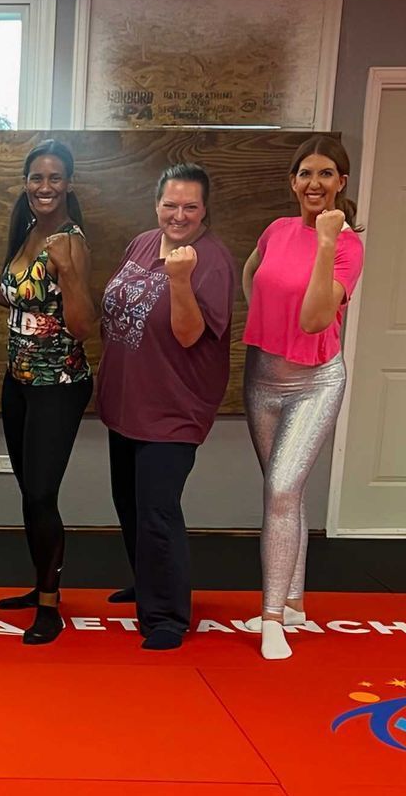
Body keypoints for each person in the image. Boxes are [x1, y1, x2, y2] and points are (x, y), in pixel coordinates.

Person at [97, 163, 235, 651]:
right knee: (130, 504)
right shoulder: (140, 242)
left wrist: (181, 278)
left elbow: (189, 333)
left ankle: (168, 617)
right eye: (171, 205)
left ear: (205, 209)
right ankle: (148, 583)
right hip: (127, 401)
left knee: (157, 510)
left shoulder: (211, 260)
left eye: (190, 207)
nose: (179, 215)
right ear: (157, 204)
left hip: (172, 409)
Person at [239, 135, 365, 660]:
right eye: (306, 174)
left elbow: (315, 318)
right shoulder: (276, 230)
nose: (315, 183)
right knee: (284, 491)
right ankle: (293, 602)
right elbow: (253, 274)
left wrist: (329, 243)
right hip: (263, 376)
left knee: (282, 491)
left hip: (314, 382)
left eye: (326, 174)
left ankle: (272, 620)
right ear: (293, 182)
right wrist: (266, 322)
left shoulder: (349, 245)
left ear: (341, 182)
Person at [0, 138, 95, 645]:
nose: (45, 186)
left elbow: (81, 326)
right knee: (28, 491)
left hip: (59, 385)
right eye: (37, 177)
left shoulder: (70, 241)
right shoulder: (27, 229)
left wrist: (70, 272)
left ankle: (50, 606)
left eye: (55, 178)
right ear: (26, 182)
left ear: (68, 184)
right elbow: (19, 299)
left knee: (41, 492)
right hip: (19, 382)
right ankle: (39, 585)